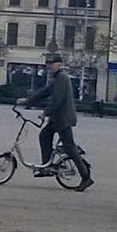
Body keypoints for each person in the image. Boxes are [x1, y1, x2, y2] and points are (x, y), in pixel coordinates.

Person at [28, 54, 92, 189]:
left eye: (52, 63)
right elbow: (45, 92)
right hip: (57, 119)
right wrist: (28, 101)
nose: (49, 66)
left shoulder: (62, 78)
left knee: (70, 148)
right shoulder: (56, 78)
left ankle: (86, 177)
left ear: (59, 64)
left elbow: (57, 100)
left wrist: (45, 112)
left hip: (63, 119)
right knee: (44, 136)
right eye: (47, 64)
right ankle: (47, 166)